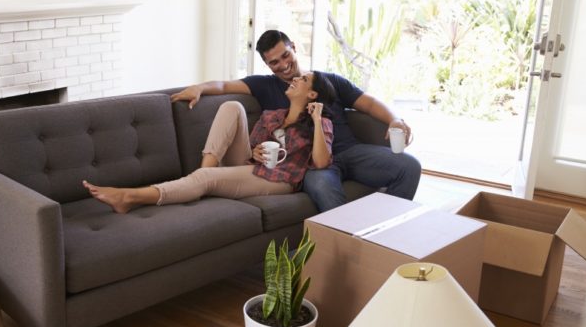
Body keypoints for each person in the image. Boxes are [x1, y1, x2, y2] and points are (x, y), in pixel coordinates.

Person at [169, 30, 421, 212]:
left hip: (350, 151)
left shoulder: (327, 80)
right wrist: (199, 88)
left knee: (408, 166)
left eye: (285, 55)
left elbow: (368, 103)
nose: (283, 65)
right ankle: (346, 245)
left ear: (294, 48)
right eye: (274, 62)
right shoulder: (264, 86)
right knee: (323, 187)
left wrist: (395, 119)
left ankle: (389, 229)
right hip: (314, 165)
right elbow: (224, 85)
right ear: (267, 65)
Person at [83, 71, 336, 214]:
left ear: (313, 94)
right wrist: (257, 151)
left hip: (280, 180)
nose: (296, 79)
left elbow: (321, 162)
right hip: (254, 168)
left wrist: (315, 118)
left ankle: (130, 197)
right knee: (232, 105)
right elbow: (251, 149)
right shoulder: (273, 115)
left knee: (205, 180)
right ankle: (205, 171)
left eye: (303, 80)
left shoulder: (319, 123)